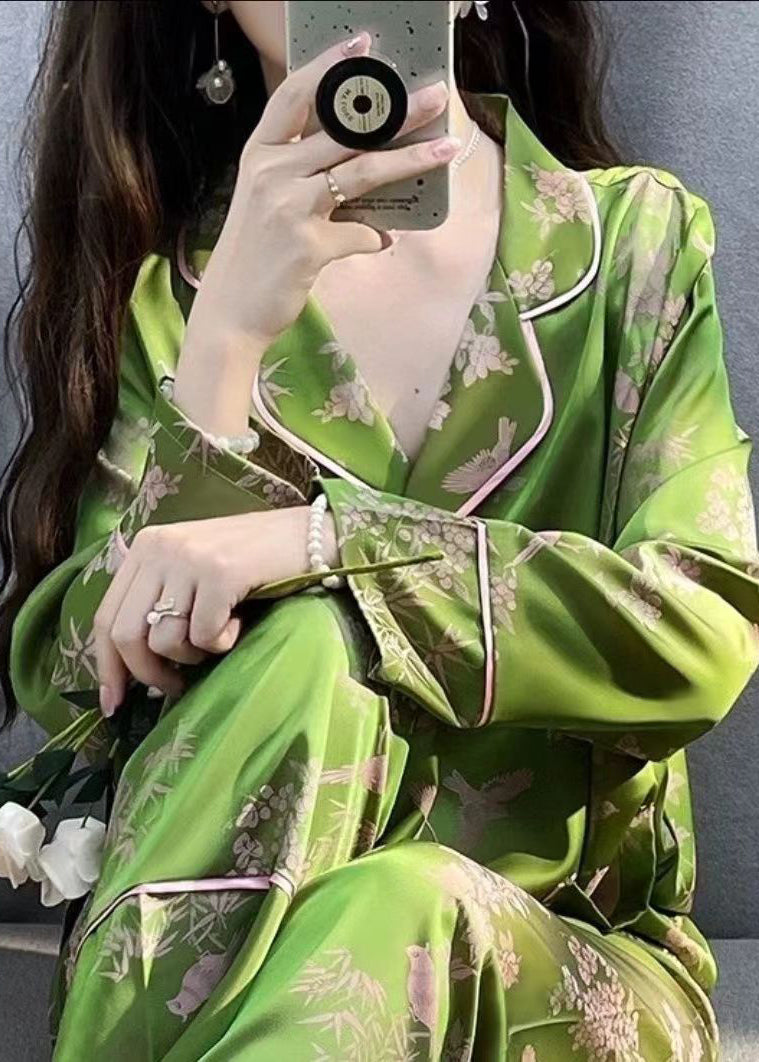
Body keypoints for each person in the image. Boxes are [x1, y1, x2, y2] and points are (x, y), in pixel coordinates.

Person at [1, 0, 757, 1058]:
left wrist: (333, 549)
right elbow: (86, 682)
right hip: (210, 961)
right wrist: (223, 344)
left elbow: (699, 626)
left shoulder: (632, 243)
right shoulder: (175, 300)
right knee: (301, 646)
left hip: (555, 959)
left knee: (400, 908)